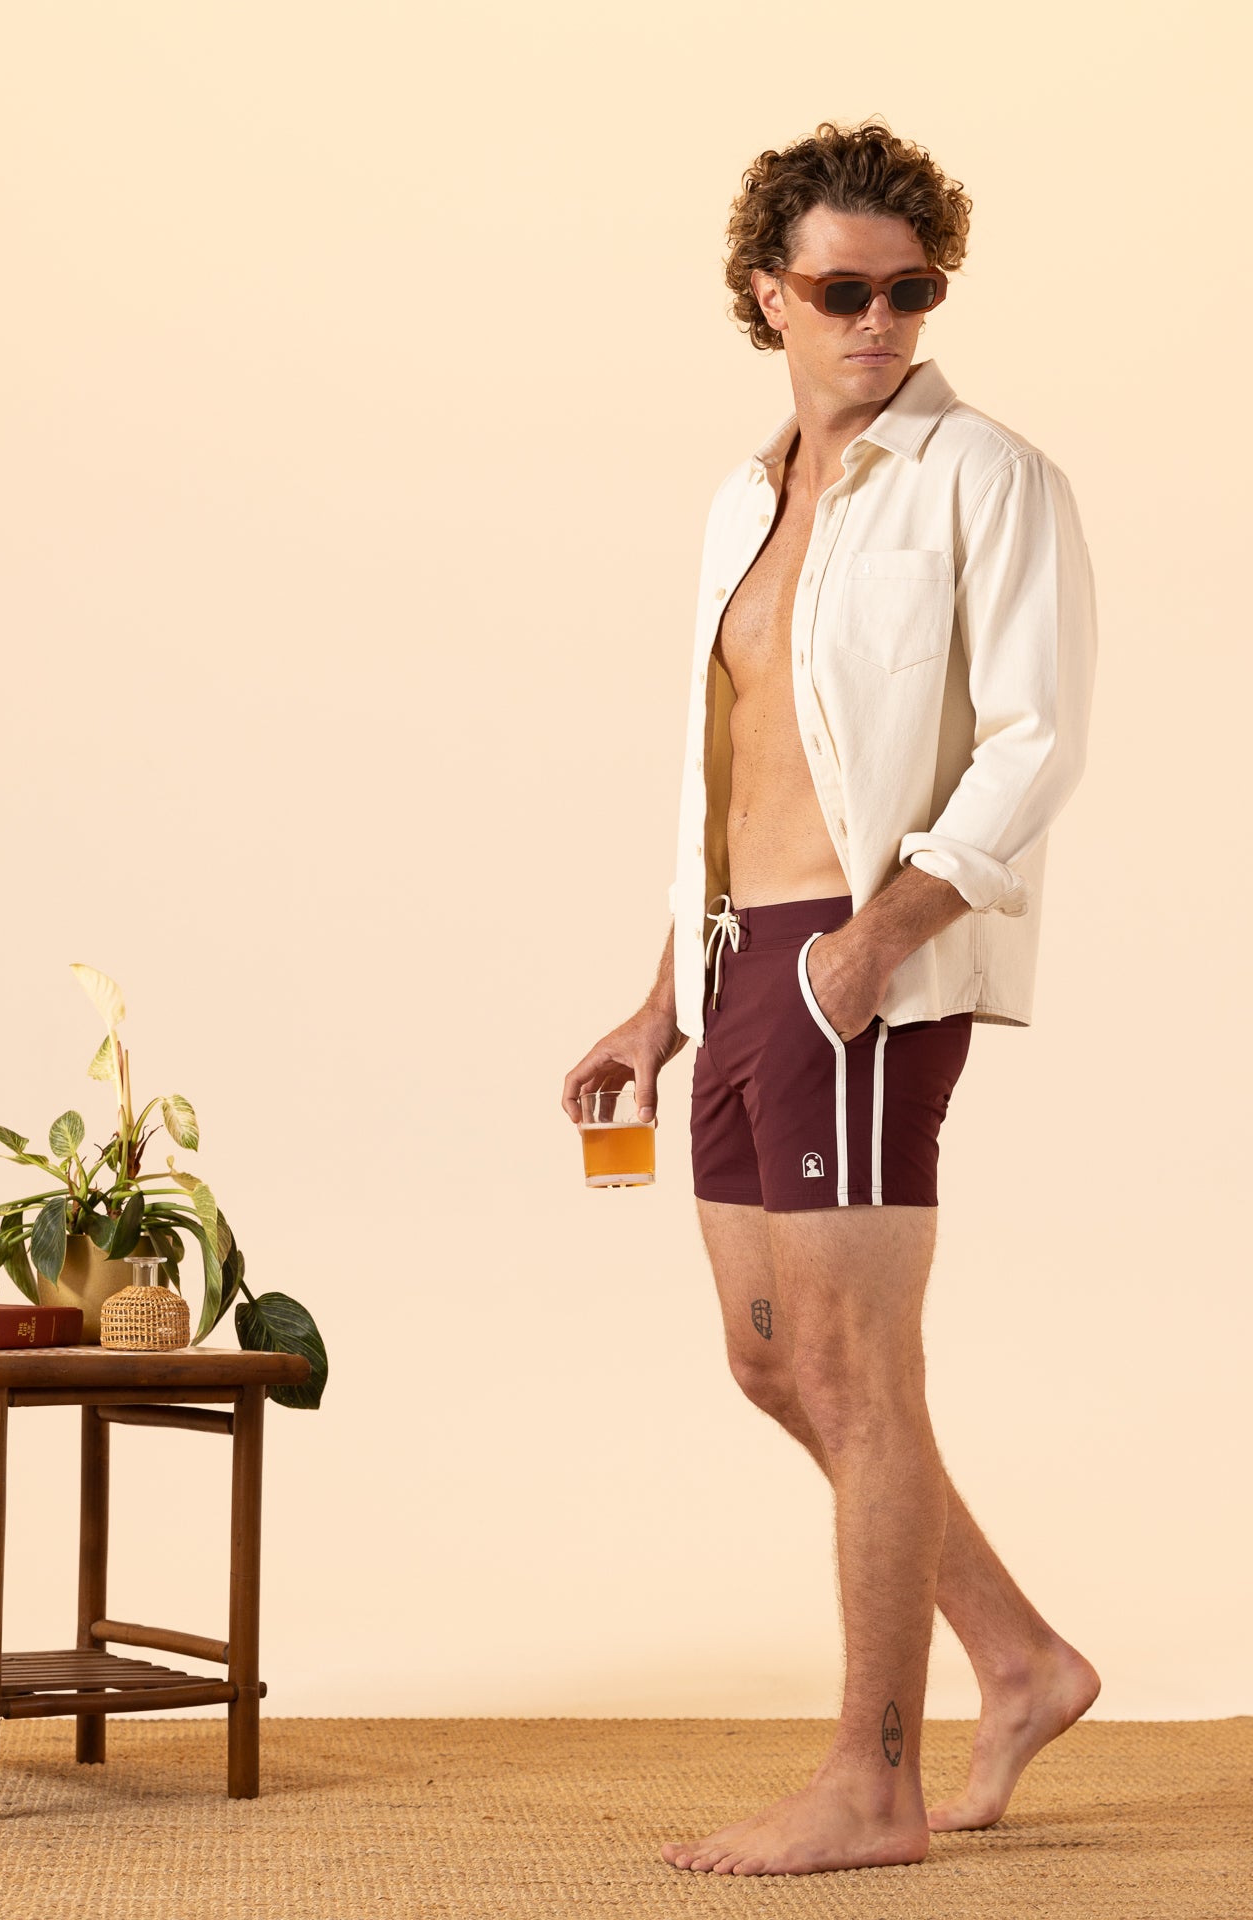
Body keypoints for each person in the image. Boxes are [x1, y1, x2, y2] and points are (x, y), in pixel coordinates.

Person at [560, 118, 1101, 1878]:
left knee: (862, 1369)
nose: (882, 322)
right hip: (733, 964)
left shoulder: (984, 475)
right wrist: (659, 994)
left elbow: (1034, 743)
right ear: (766, 296)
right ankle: (1018, 1659)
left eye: (913, 290)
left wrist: (877, 946)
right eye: (845, 291)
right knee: (772, 1359)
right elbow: (725, 772)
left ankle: (873, 1782)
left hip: (858, 964)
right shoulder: (746, 495)